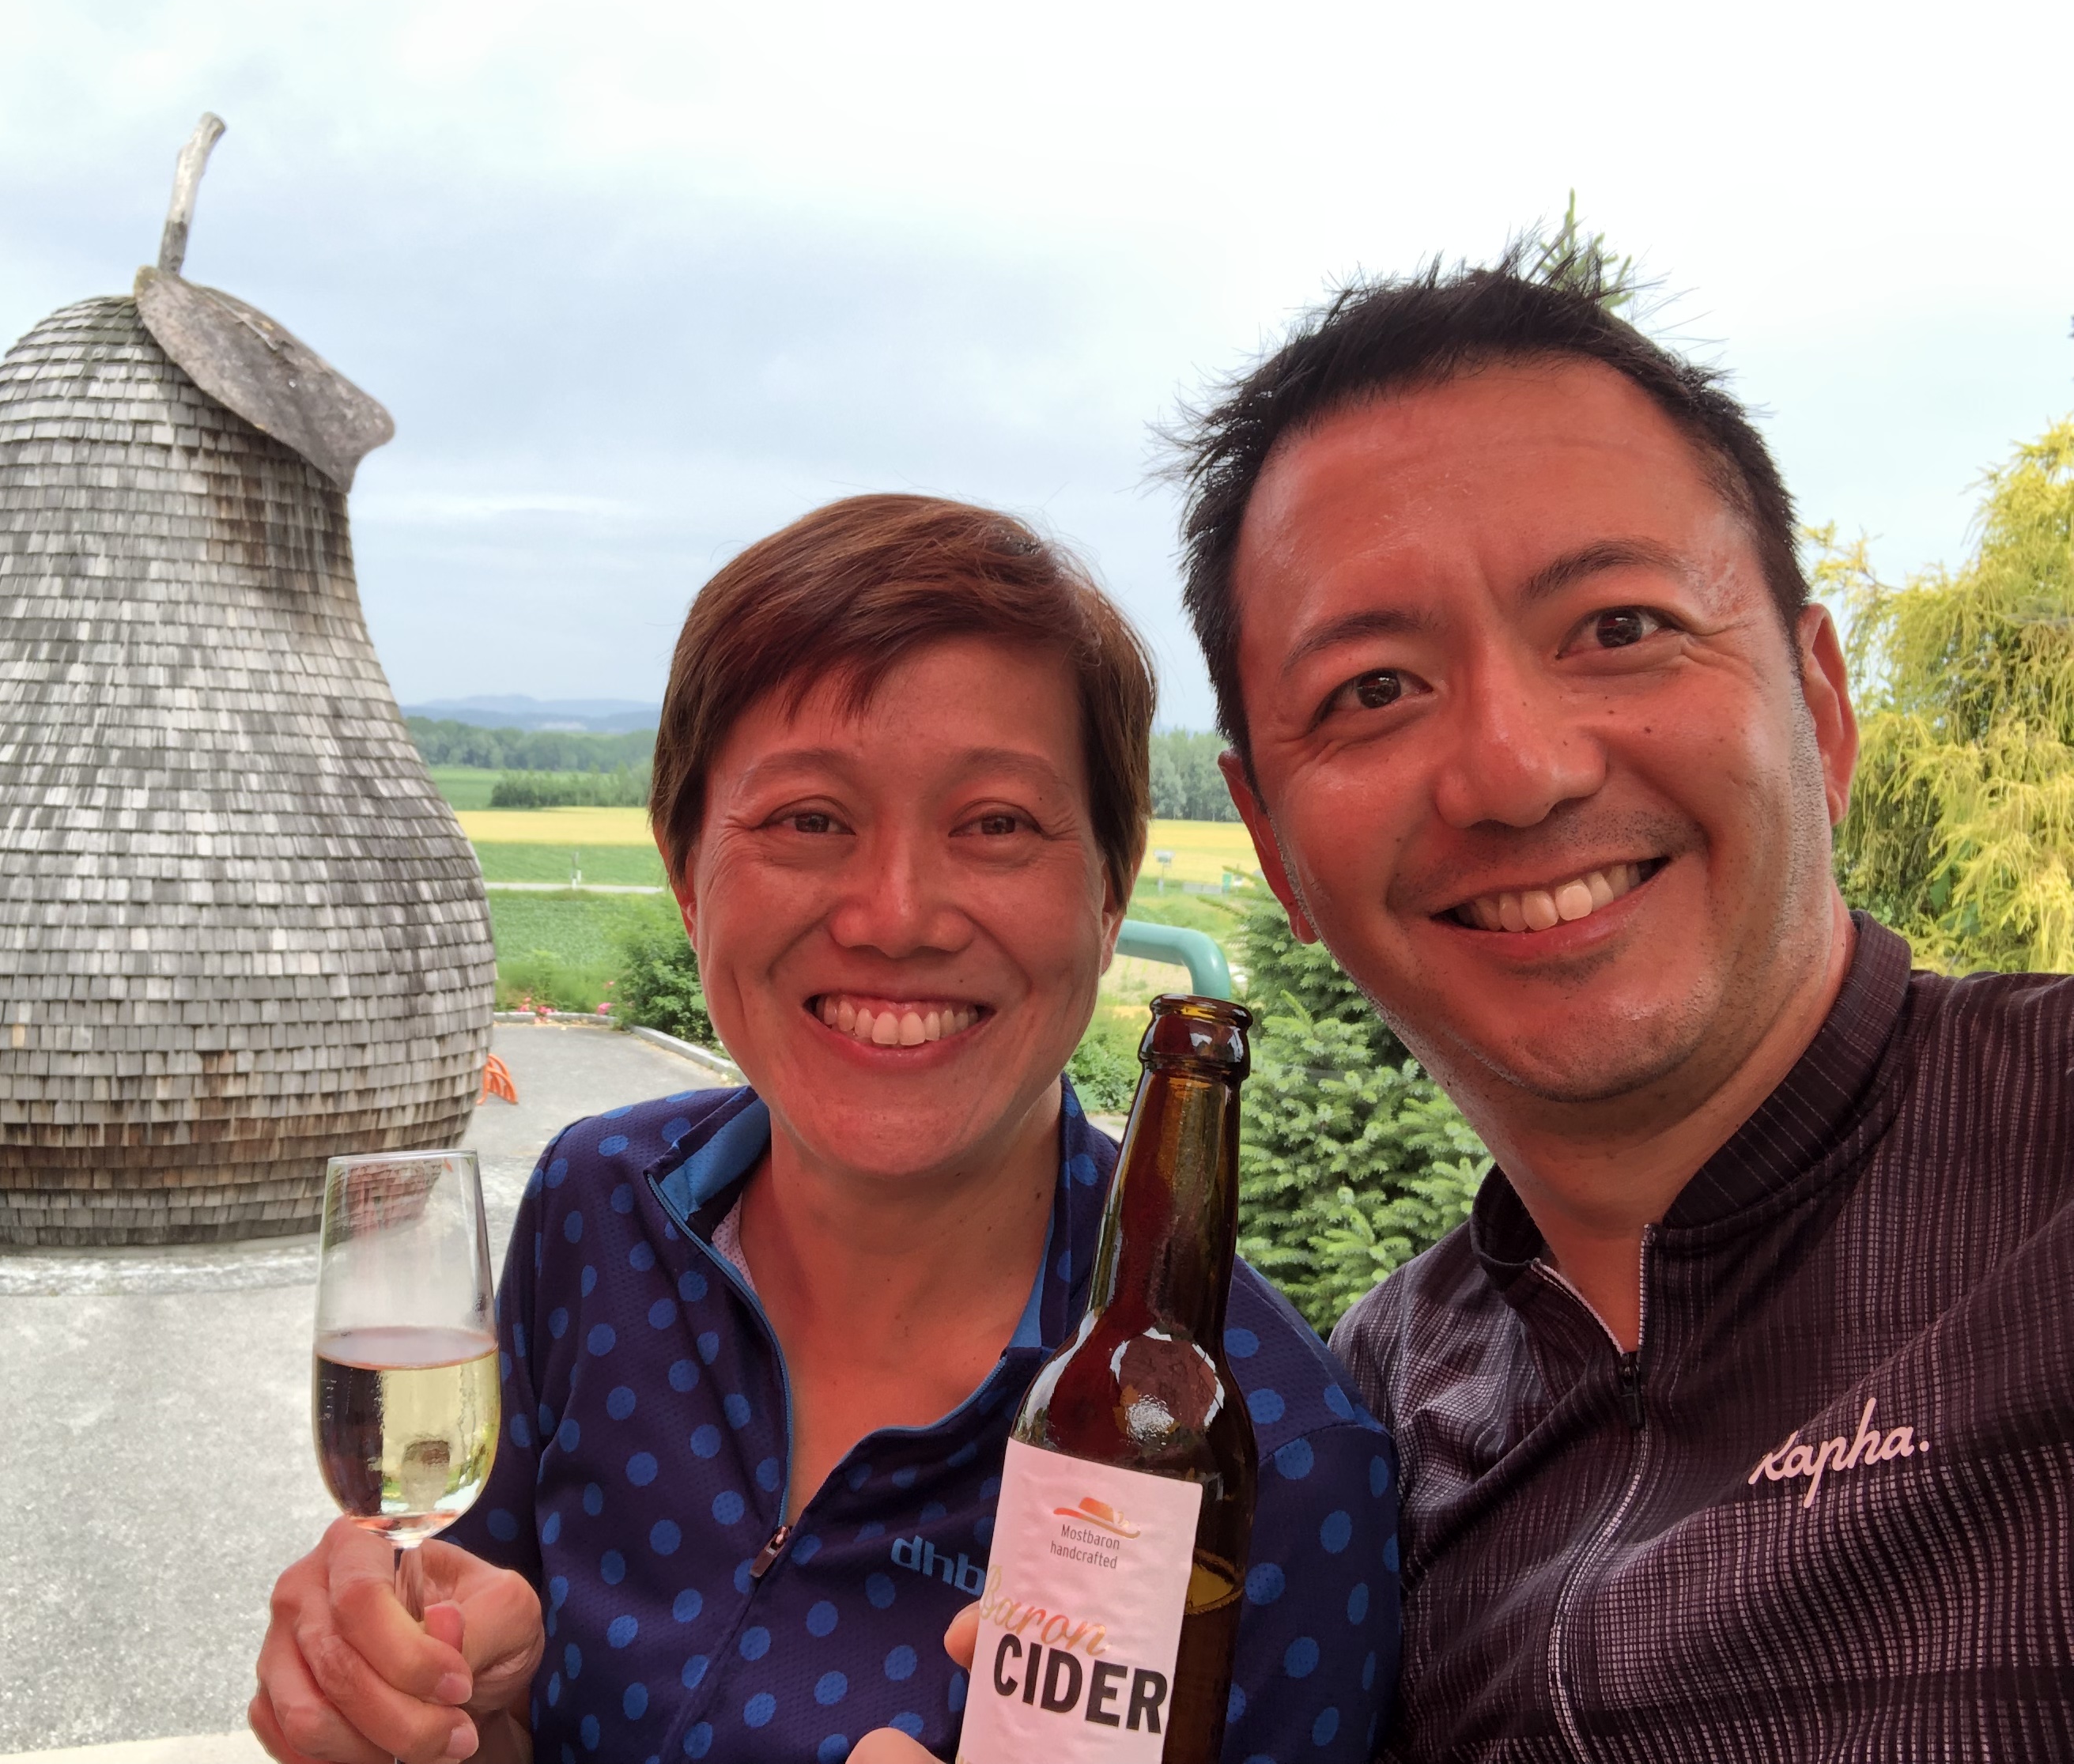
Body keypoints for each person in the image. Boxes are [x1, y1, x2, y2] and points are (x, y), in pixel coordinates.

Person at [250, 495, 1400, 1764]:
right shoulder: (597, 1209)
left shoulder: (1269, 1458)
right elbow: (489, 1688)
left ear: (1110, 891)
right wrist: (425, 1704)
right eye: (808, 819)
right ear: (686, 872)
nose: (895, 916)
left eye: (997, 824)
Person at [1171, 247, 2074, 1757]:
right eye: (1374, 690)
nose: (1518, 771)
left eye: (1619, 627)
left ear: (1821, 707)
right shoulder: (1371, 1417)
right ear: (1276, 854)